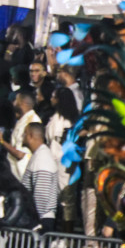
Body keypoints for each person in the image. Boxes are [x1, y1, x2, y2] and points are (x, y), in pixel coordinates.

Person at [45, 87, 79, 236]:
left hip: (65, 163)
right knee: (57, 199)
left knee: (67, 201)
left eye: (54, 97)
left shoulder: (69, 120)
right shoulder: (55, 117)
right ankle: (59, 235)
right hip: (53, 160)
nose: (51, 99)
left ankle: (67, 237)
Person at [19, 122, 59, 233]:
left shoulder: (42, 159)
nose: (22, 136)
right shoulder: (39, 156)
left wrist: (34, 223)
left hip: (39, 223)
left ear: (31, 136)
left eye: (25, 133)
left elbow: (41, 196)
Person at [4, 90, 40, 179]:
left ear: (22, 103)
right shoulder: (23, 119)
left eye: (16, 100)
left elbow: (20, 154)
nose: (13, 102)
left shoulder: (31, 122)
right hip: (15, 171)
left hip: (22, 173)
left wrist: (2, 141)